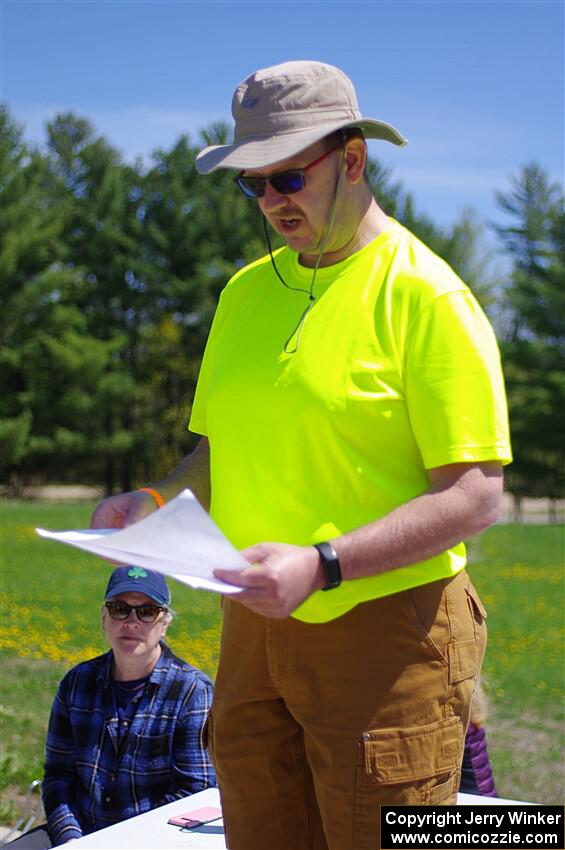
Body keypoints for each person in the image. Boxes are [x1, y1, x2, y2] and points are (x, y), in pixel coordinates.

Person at [91, 61, 512, 850]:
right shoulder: (244, 292)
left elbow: (472, 497)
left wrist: (321, 565)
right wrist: (150, 502)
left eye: (287, 176)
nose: (271, 201)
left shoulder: (428, 297)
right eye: (252, 184)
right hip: (253, 630)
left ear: (351, 160)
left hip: (388, 631)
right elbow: (215, 454)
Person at [41, 566, 215, 846]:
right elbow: (58, 779)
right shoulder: (77, 683)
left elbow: (197, 792)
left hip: (155, 841)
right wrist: (72, 840)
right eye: (119, 608)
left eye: (147, 611)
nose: (131, 621)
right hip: (81, 835)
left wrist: (122, 841)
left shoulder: (191, 691)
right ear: (103, 618)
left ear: (165, 622)